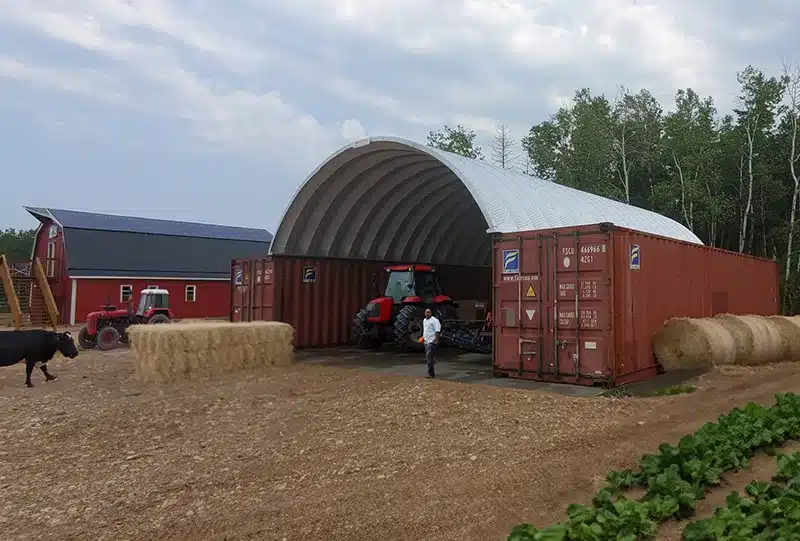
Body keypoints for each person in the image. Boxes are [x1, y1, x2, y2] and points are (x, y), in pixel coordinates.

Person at [422, 308, 441, 378]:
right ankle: (431, 371)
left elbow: (437, 331)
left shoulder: (435, 321)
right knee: (429, 358)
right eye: (426, 312)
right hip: (426, 341)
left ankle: (431, 374)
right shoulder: (424, 320)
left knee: (429, 358)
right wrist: (423, 338)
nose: (427, 314)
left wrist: (436, 339)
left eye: (429, 312)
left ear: (431, 313)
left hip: (431, 342)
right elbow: (426, 330)